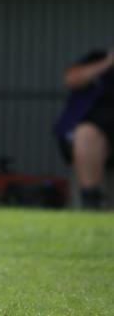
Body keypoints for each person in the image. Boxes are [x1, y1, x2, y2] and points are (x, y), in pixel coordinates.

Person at [54, 49, 114, 209]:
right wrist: (109, 62)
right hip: (98, 131)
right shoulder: (98, 59)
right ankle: (91, 201)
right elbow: (71, 79)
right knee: (85, 134)